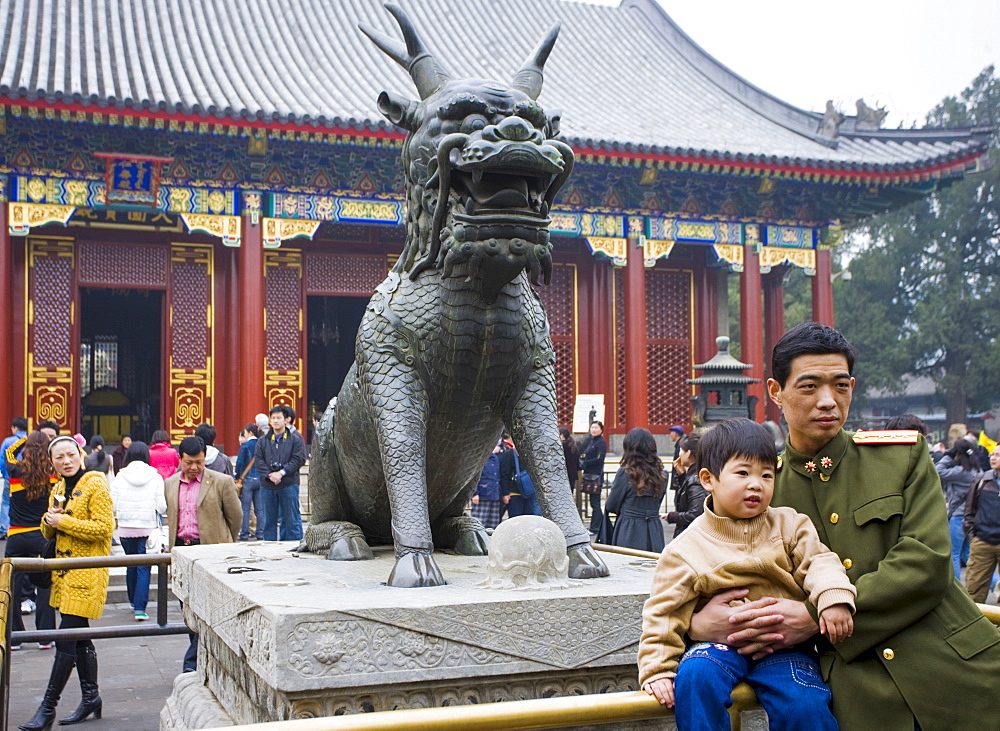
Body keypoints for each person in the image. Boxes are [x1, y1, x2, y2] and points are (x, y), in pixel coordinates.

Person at [686, 322, 1000, 729]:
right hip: (859, 694)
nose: (828, 401)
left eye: (840, 386)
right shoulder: (763, 490)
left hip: (956, 673)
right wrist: (698, 623)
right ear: (774, 391)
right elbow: (720, 570)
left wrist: (816, 613)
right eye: (809, 386)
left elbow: (928, 560)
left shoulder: (900, 457)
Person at [640, 418, 855, 730]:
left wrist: (833, 598)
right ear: (708, 479)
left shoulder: (790, 525)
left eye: (767, 475)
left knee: (805, 704)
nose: (757, 484)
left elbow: (820, 562)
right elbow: (664, 612)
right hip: (718, 646)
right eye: (743, 473)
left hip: (784, 647)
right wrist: (657, 669)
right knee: (696, 678)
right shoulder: (685, 549)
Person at [21, 435, 115, 730]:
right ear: (52, 463)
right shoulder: (59, 487)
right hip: (63, 575)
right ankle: (91, 697)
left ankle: (47, 707)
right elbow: (49, 534)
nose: (66, 461)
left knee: (66, 638)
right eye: (59, 457)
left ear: (81, 454)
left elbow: (104, 529)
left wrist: (64, 522)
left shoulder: (95, 483)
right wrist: (49, 521)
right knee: (79, 636)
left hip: (86, 574)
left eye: (70, 455)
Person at [164, 436, 242, 672]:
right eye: (189, 462)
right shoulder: (169, 483)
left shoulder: (221, 481)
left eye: (199, 462)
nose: (195, 467)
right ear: (180, 459)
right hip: (181, 551)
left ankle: (192, 663)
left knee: (207, 608)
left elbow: (235, 518)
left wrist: (225, 543)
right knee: (186, 608)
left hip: (210, 551)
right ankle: (200, 657)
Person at [4, 431, 56, 651]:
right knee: (45, 586)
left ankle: (14, 637)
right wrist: (46, 441)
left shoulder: (15, 470)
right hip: (41, 535)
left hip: (16, 535)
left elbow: (8, 451)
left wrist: (29, 439)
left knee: (11, 588)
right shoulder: (52, 475)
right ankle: (45, 636)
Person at [109, 441, 166, 621]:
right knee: (144, 567)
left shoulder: (120, 476)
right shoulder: (155, 476)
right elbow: (162, 506)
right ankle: (140, 608)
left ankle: (133, 601)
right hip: (147, 526)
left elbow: (113, 504)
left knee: (131, 564)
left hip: (126, 527)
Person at [604, 428, 666, 552]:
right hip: (654, 529)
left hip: (629, 529)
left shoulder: (625, 473)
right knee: (652, 566)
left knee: (628, 566)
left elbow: (611, 505)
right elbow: (657, 503)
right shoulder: (663, 475)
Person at [253, 407, 307, 542]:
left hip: (288, 483)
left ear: (286, 420)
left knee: (291, 519)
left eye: (279, 418)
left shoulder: (295, 439)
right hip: (268, 484)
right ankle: (269, 548)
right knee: (268, 521)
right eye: (273, 418)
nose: (275, 421)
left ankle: (293, 547)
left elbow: (299, 459)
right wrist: (270, 475)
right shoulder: (263, 440)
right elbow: (258, 460)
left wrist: (282, 473)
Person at [936, 435, 982, 578]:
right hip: (972, 516)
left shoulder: (960, 472)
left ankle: (955, 585)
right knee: (968, 553)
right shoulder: (978, 471)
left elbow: (937, 471)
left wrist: (948, 457)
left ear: (959, 453)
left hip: (958, 517)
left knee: (953, 554)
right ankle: (995, 582)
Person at [962, 444, 1000, 603]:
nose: (993, 458)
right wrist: (973, 536)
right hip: (982, 542)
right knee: (973, 591)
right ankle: (976, 627)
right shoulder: (982, 479)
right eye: (993, 454)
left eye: (998, 455)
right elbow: (969, 510)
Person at [662, 432, 705, 539]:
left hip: (692, 537)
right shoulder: (695, 475)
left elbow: (695, 514)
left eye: (681, 450)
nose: (679, 454)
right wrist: (682, 476)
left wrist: (672, 516)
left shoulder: (696, 480)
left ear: (688, 453)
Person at [499, 436, 542, 518]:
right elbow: (504, 475)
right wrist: (505, 494)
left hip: (528, 492)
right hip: (514, 492)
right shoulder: (508, 455)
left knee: (528, 518)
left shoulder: (529, 456)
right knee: (516, 517)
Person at [1, 416, 29, 539]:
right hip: (28, 477)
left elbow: (2, 460)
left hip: (11, 477)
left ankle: (5, 528)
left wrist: (5, 474)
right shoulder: (30, 441)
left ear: (15, 428)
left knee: (7, 502)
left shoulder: (8, 441)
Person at [234, 423, 263, 541]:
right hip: (260, 478)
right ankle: (261, 533)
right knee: (260, 509)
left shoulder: (245, 445)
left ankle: (244, 533)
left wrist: (238, 475)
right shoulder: (262, 444)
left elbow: (240, 462)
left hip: (247, 479)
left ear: (250, 432)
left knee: (245, 508)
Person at [579, 421, 607, 535]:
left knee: (595, 503)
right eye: (592, 427)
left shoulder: (601, 443)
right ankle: (597, 526)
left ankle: (596, 528)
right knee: (593, 502)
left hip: (596, 475)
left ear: (601, 430)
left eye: (596, 428)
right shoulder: (591, 441)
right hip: (590, 474)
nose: (594, 430)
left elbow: (599, 459)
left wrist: (584, 463)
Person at [470, 442, 503, 530]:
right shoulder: (478, 458)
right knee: (479, 524)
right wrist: (474, 493)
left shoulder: (495, 458)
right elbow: (473, 476)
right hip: (481, 495)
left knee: (493, 524)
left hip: (495, 494)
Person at [558, 426, 579, 492]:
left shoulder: (562, 446)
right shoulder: (573, 444)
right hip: (572, 475)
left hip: (563, 476)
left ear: (562, 435)